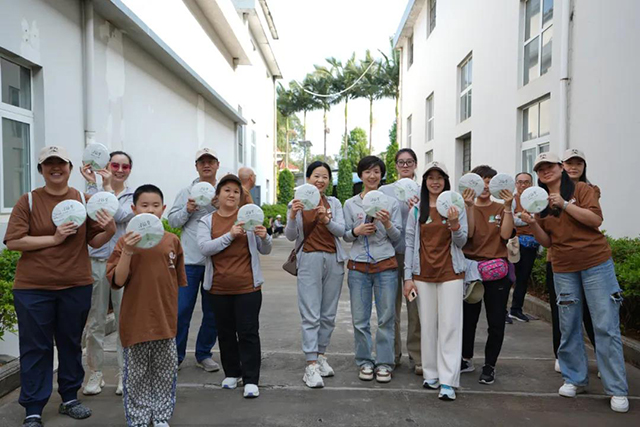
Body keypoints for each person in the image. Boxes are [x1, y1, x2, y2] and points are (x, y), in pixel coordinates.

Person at [4, 146, 116, 427]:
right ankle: (33, 407)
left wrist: (110, 230)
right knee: (35, 347)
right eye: (49, 164)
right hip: (33, 288)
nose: (56, 168)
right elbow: (14, 241)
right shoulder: (28, 201)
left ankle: (69, 398)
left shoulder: (82, 199)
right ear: (41, 169)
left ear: (68, 167)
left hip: (74, 284)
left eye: (61, 163)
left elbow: (93, 241)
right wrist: (53, 240)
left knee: (69, 344)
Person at [521, 152, 629, 413]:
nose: (546, 171)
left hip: (596, 263)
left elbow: (595, 220)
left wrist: (566, 204)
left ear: (561, 168)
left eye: (550, 166)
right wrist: (533, 224)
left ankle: (616, 389)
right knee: (568, 325)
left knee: (605, 326)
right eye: (540, 168)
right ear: (538, 175)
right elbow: (547, 241)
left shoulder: (582, 189)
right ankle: (574, 379)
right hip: (564, 268)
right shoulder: (539, 203)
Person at [107, 184, 187, 426]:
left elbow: (177, 282)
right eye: (144, 205)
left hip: (165, 321)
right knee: (137, 374)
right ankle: (140, 418)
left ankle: (161, 415)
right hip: (136, 321)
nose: (150, 210)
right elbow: (117, 281)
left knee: (165, 372)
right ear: (134, 209)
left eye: (155, 206)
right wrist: (128, 252)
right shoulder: (125, 242)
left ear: (163, 209)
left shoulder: (172, 241)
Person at [197, 174, 272, 398]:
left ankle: (251, 379)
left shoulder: (249, 219)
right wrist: (229, 235)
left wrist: (265, 236)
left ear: (241, 197)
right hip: (218, 288)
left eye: (236, 192)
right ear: (217, 195)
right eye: (227, 190)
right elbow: (204, 248)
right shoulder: (207, 221)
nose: (231, 195)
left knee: (248, 332)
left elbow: (265, 250)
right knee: (225, 332)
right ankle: (232, 373)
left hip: (248, 287)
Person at [403, 162, 467, 401]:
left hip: (451, 273)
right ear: (425, 182)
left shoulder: (456, 207)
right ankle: (430, 374)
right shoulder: (417, 210)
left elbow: (462, 241)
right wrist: (407, 278)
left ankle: (448, 381)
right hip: (422, 275)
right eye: (430, 177)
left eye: (440, 177)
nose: (435, 181)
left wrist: (454, 225)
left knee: (450, 326)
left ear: (446, 181)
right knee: (428, 325)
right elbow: (410, 244)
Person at [285, 161, 346, 388]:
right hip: (309, 259)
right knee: (311, 313)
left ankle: (321, 356)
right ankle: (310, 364)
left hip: (333, 260)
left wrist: (326, 220)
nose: (320, 180)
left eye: (325, 177)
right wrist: (292, 215)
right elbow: (291, 236)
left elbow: (342, 231)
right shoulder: (297, 203)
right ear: (308, 178)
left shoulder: (334, 203)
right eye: (316, 176)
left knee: (328, 314)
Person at [343, 156, 402, 383]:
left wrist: (387, 223)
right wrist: (357, 231)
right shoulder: (350, 204)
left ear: (381, 175)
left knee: (387, 317)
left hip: (386, 265)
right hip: (358, 267)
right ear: (361, 175)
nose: (372, 176)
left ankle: (385, 363)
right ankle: (365, 361)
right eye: (367, 172)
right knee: (360, 318)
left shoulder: (391, 203)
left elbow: (397, 240)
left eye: (376, 171)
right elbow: (345, 235)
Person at [80, 151, 135, 397]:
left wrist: (107, 189)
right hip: (97, 262)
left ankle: (125, 373)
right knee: (95, 321)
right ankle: (95, 373)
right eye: (115, 164)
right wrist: (94, 184)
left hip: (124, 263)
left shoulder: (133, 197)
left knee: (125, 321)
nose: (119, 169)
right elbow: (89, 217)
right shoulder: (94, 190)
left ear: (130, 169)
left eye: (125, 166)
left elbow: (120, 215)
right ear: (107, 165)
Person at [460, 165, 515, 385]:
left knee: (496, 321)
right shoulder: (465, 206)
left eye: (489, 180)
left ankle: (490, 365)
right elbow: (470, 234)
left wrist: (509, 207)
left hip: (496, 271)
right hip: (471, 270)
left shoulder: (501, 208)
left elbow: (506, 234)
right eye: (481, 180)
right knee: (468, 319)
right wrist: (469, 207)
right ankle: (465, 359)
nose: (485, 185)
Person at [167, 148, 219, 371]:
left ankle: (204, 354)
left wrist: (220, 206)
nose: (206, 165)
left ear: (217, 165)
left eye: (210, 161)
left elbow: (234, 219)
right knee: (181, 309)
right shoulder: (185, 192)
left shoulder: (223, 192)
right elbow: (173, 222)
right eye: (202, 162)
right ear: (196, 166)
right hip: (188, 262)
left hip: (215, 261)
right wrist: (187, 210)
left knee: (213, 312)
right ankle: (176, 356)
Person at [379, 148, 422, 375]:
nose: (405, 166)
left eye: (409, 162)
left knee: (415, 308)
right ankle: (392, 355)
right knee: (390, 308)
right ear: (395, 165)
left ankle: (417, 356)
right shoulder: (385, 191)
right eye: (401, 162)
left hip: (416, 256)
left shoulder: (424, 190)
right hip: (390, 254)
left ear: (415, 165)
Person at [508, 172, 539, 323]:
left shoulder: (536, 200)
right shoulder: (512, 200)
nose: (523, 185)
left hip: (532, 243)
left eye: (526, 182)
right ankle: (502, 311)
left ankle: (516, 309)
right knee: (509, 277)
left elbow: (538, 218)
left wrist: (521, 217)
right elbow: (511, 219)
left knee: (523, 278)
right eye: (520, 182)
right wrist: (527, 219)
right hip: (514, 242)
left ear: (531, 184)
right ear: (516, 184)